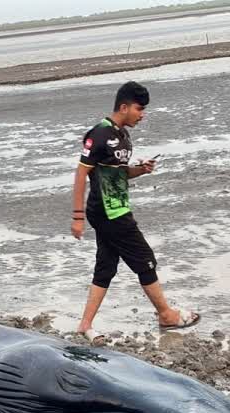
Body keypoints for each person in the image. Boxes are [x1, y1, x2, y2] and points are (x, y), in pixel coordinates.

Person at [71, 81, 201, 343]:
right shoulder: (98, 134)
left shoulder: (123, 135)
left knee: (106, 266)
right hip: (109, 212)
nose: (142, 114)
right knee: (145, 260)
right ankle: (166, 314)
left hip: (116, 207)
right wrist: (77, 216)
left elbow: (119, 173)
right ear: (124, 106)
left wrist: (140, 169)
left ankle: (85, 325)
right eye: (139, 109)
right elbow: (81, 173)